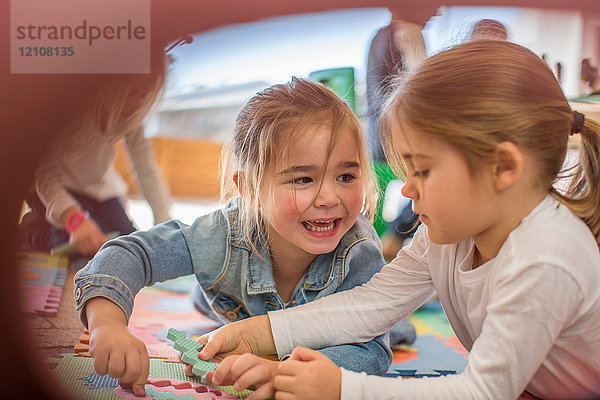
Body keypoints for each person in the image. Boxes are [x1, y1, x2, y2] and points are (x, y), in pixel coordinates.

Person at [194, 41, 600, 400]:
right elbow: (371, 304)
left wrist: (341, 389)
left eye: (421, 170)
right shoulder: (446, 236)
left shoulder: (546, 255)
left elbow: (483, 391)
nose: (406, 189)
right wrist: (251, 333)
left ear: (503, 168)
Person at [72, 77, 419, 397]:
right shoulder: (220, 234)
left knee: (395, 328)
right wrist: (107, 323)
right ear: (250, 189)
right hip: (230, 300)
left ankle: (402, 320)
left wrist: (281, 372)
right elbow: (133, 253)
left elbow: (371, 351)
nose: (329, 198)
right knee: (204, 298)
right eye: (302, 179)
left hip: (352, 318)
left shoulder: (359, 251)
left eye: (345, 176)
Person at [19, 55, 172, 257]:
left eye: (145, 95)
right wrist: (75, 219)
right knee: (75, 246)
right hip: (49, 189)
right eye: (129, 94)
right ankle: (30, 232)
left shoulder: (133, 115)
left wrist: (164, 223)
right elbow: (45, 177)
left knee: (128, 244)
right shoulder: (71, 112)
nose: (136, 104)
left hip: (93, 186)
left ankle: (64, 222)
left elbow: (146, 168)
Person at [366, 18, 426, 259]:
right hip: (390, 139)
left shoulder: (386, 36)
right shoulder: (401, 34)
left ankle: (386, 242)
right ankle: (386, 243)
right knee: (420, 188)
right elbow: (399, 95)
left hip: (383, 138)